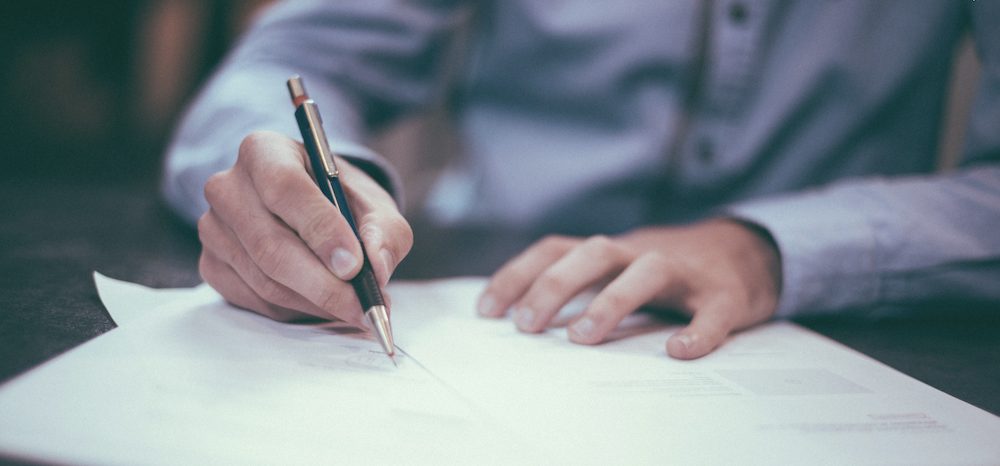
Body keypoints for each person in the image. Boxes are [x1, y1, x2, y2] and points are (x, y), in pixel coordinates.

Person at [162, 1, 1000, 359]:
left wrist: (769, 249)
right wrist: (292, 191)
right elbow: (284, 63)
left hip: (845, 328)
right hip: (488, 298)